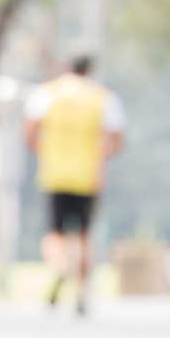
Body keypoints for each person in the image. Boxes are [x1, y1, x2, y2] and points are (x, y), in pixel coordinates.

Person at [24, 53, 126, 315]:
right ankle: (81, 288)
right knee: (83, 235)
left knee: (54, 233)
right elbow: (116, 139)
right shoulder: (102, 97)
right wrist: (101, 156)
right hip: (88, 176)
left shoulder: (47, 93)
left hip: (54, 174)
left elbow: (29, 131)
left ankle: (60, 269)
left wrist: (44, 152)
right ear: (90, 71)